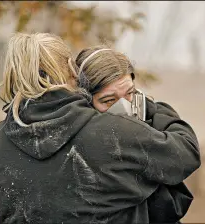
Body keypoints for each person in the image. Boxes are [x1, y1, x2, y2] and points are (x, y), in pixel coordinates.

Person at [0, 33, 201, 224]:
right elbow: (184, 158)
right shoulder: (110, 133)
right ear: (70, 72)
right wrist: (153, 108)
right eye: (108, 100)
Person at [75, 46, 198, 223]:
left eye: (129, 94)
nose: (123, 107)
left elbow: (187, 153)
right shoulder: (79, 145)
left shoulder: (153, 116)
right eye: (109, 100)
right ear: (85, 100)